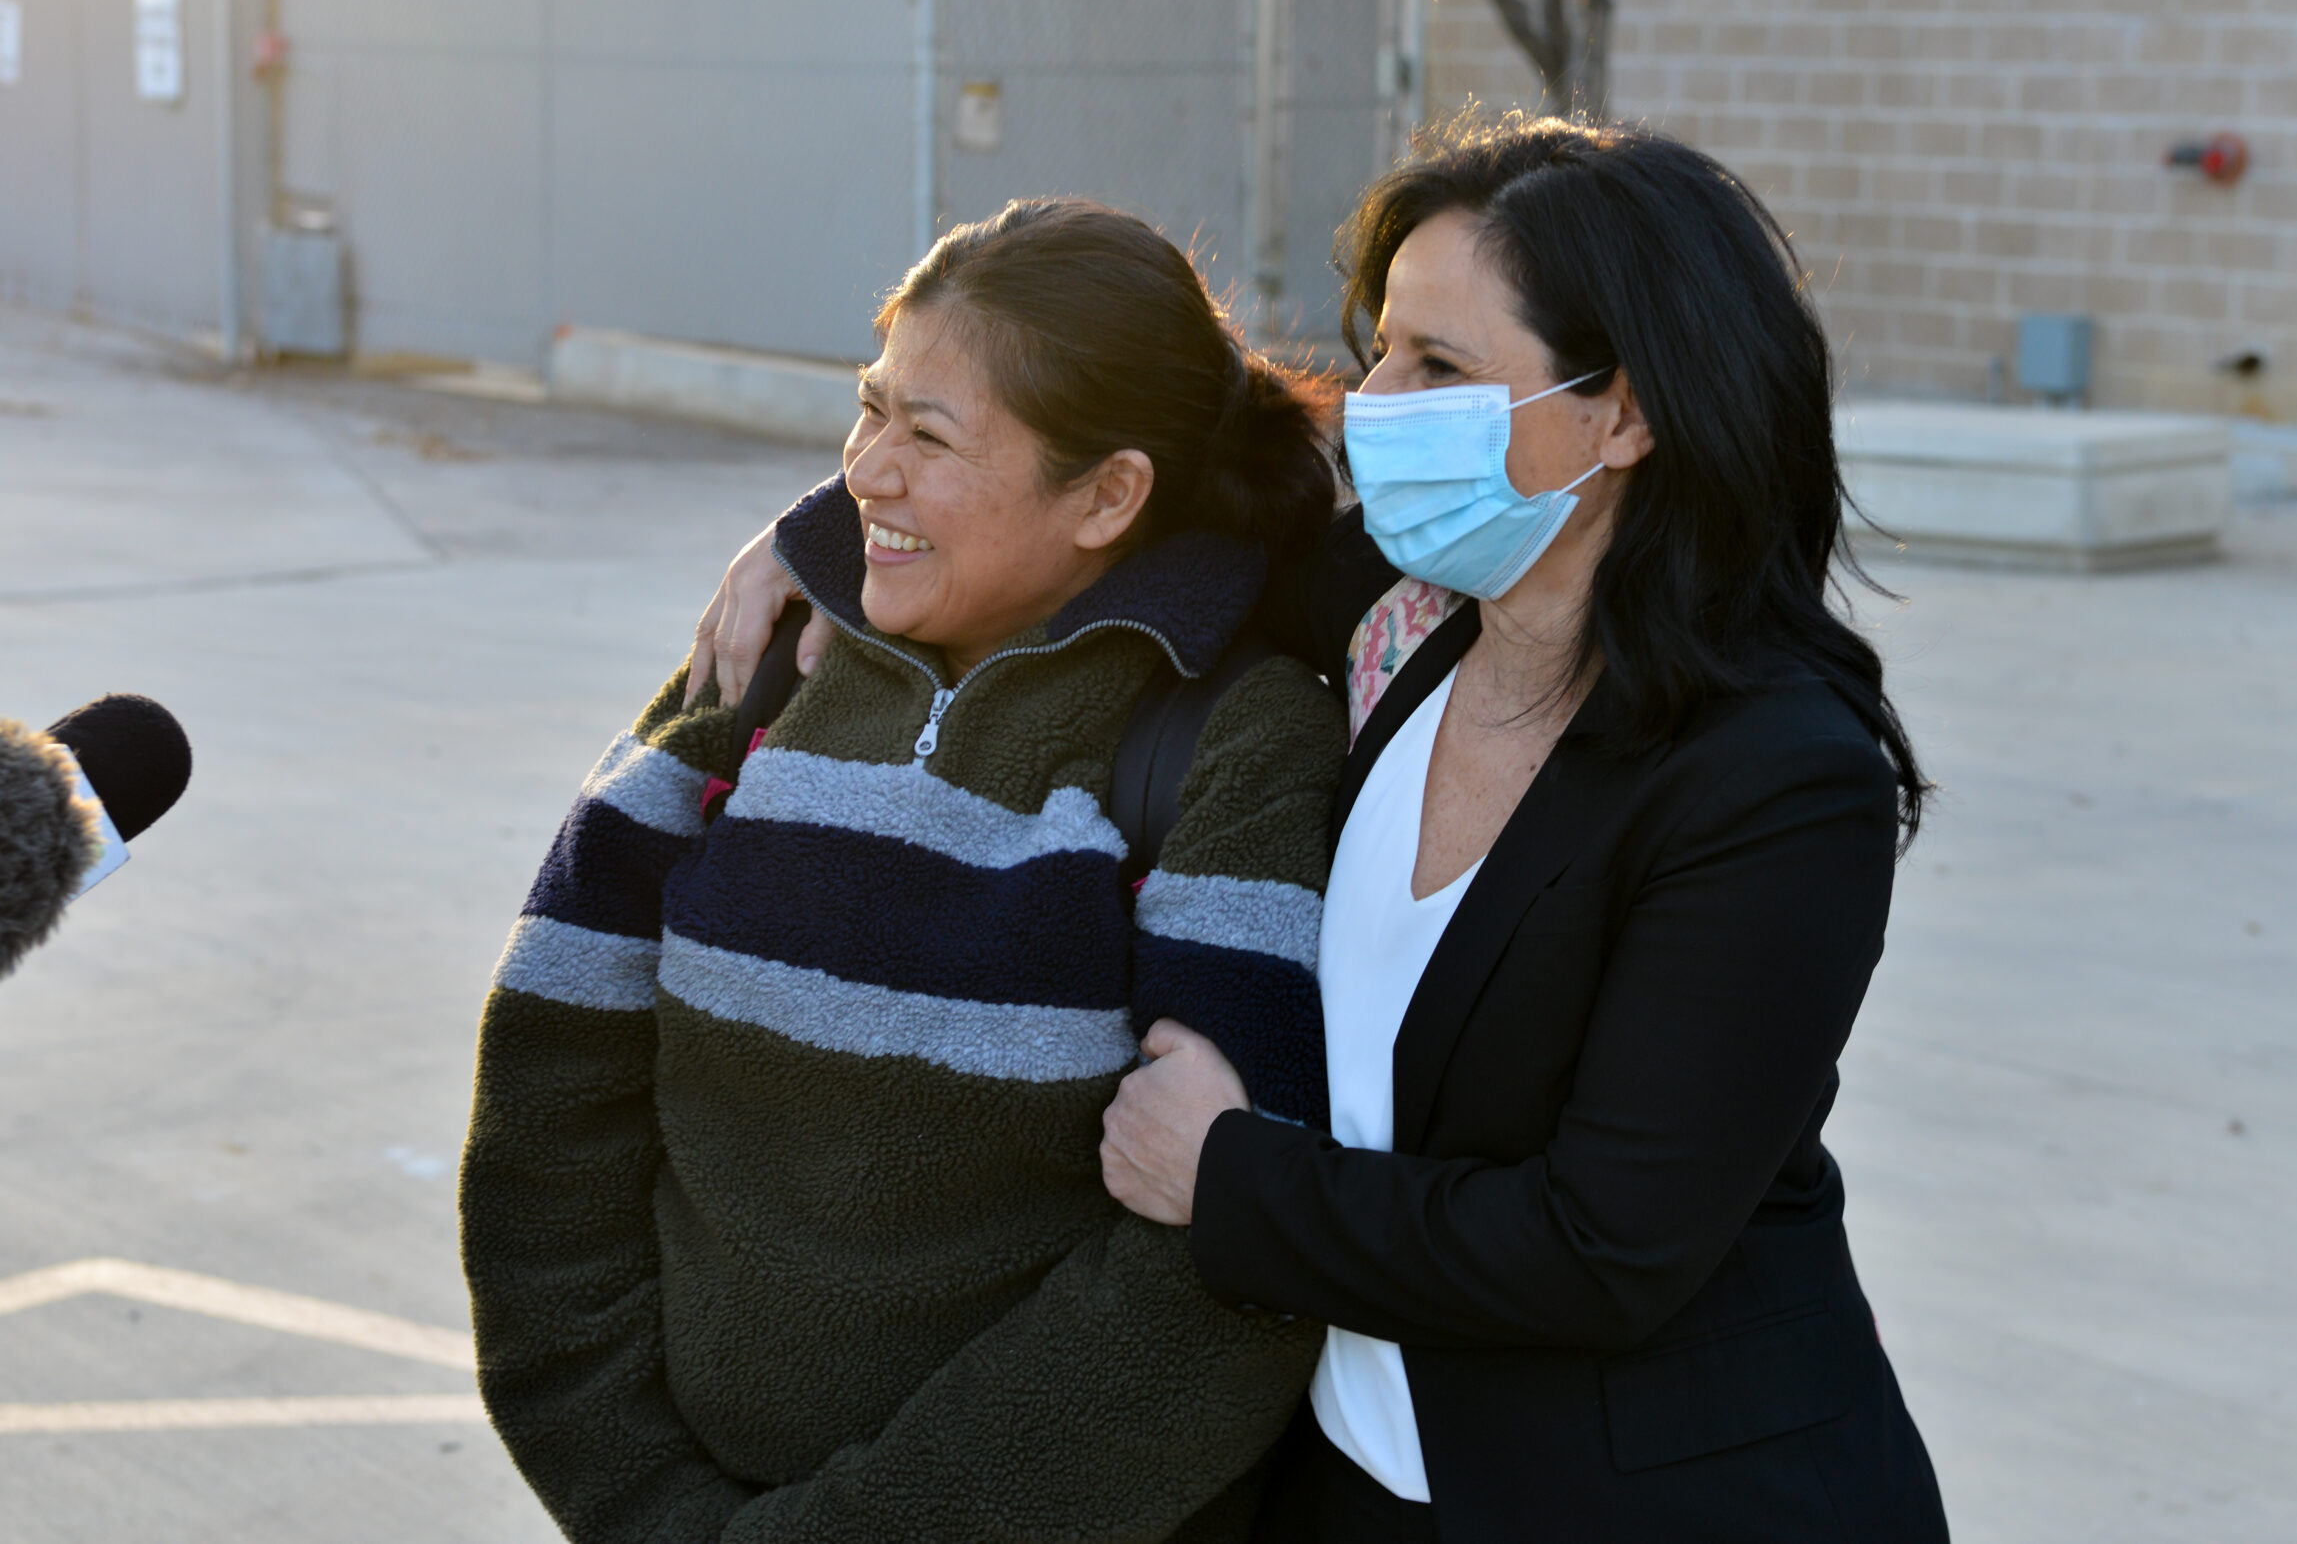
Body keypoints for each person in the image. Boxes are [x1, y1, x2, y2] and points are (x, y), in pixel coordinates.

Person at [695, 116, 1949, 1542]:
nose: (1374, 405)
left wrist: (1226, 1178)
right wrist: (822, 529)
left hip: (1654, 1500)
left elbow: (1609, 1248)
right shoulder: (1394, 618)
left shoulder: (1776, 778)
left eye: (1442, 369)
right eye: (1382, 352)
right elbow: (1142, 450)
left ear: (1626, 414)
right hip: (1346, 1485)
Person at [461, 199, 1346, 1544]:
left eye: (928, 437)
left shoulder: (1237, 739)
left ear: (1109, 493)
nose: (864, 473)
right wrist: (641, 1506)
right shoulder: (764, 668)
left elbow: (1208, 1284)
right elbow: (550, 1093)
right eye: (867, 411)